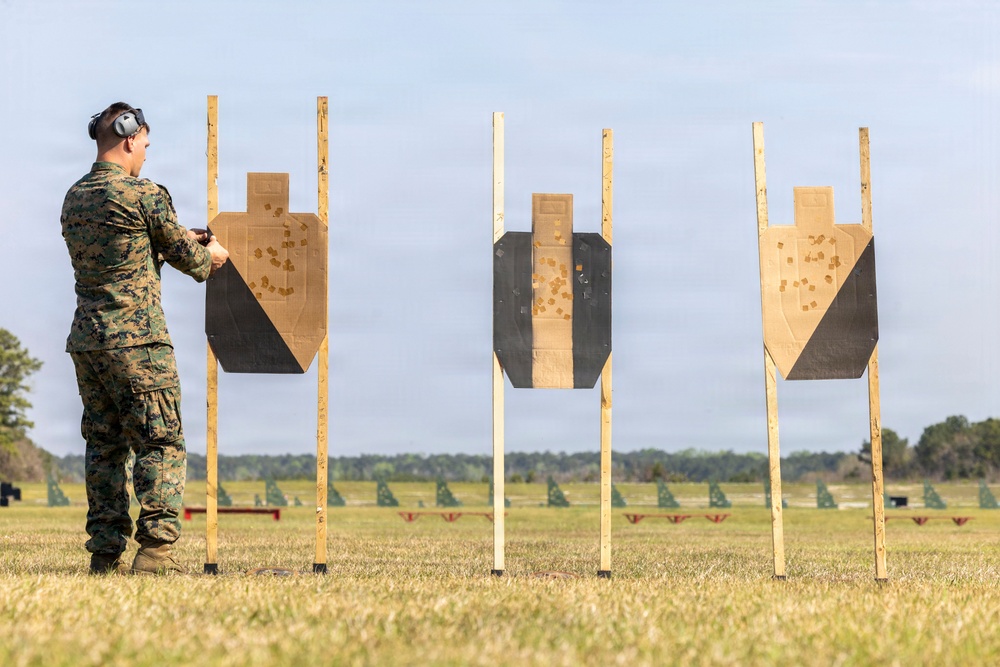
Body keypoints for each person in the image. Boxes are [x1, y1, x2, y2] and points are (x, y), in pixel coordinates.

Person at [61, 102, 229, 574]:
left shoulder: (74, 196)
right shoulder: (145, 195)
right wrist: (210, 252)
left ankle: (105, 553)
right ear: (129, 138)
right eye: (146, 145)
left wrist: (174, 236)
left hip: (89, 340)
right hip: (139, 342)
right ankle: (156, 552)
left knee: (105, 446)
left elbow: (127, 243)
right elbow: (194, 264)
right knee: (160, 442)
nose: (146, 156)